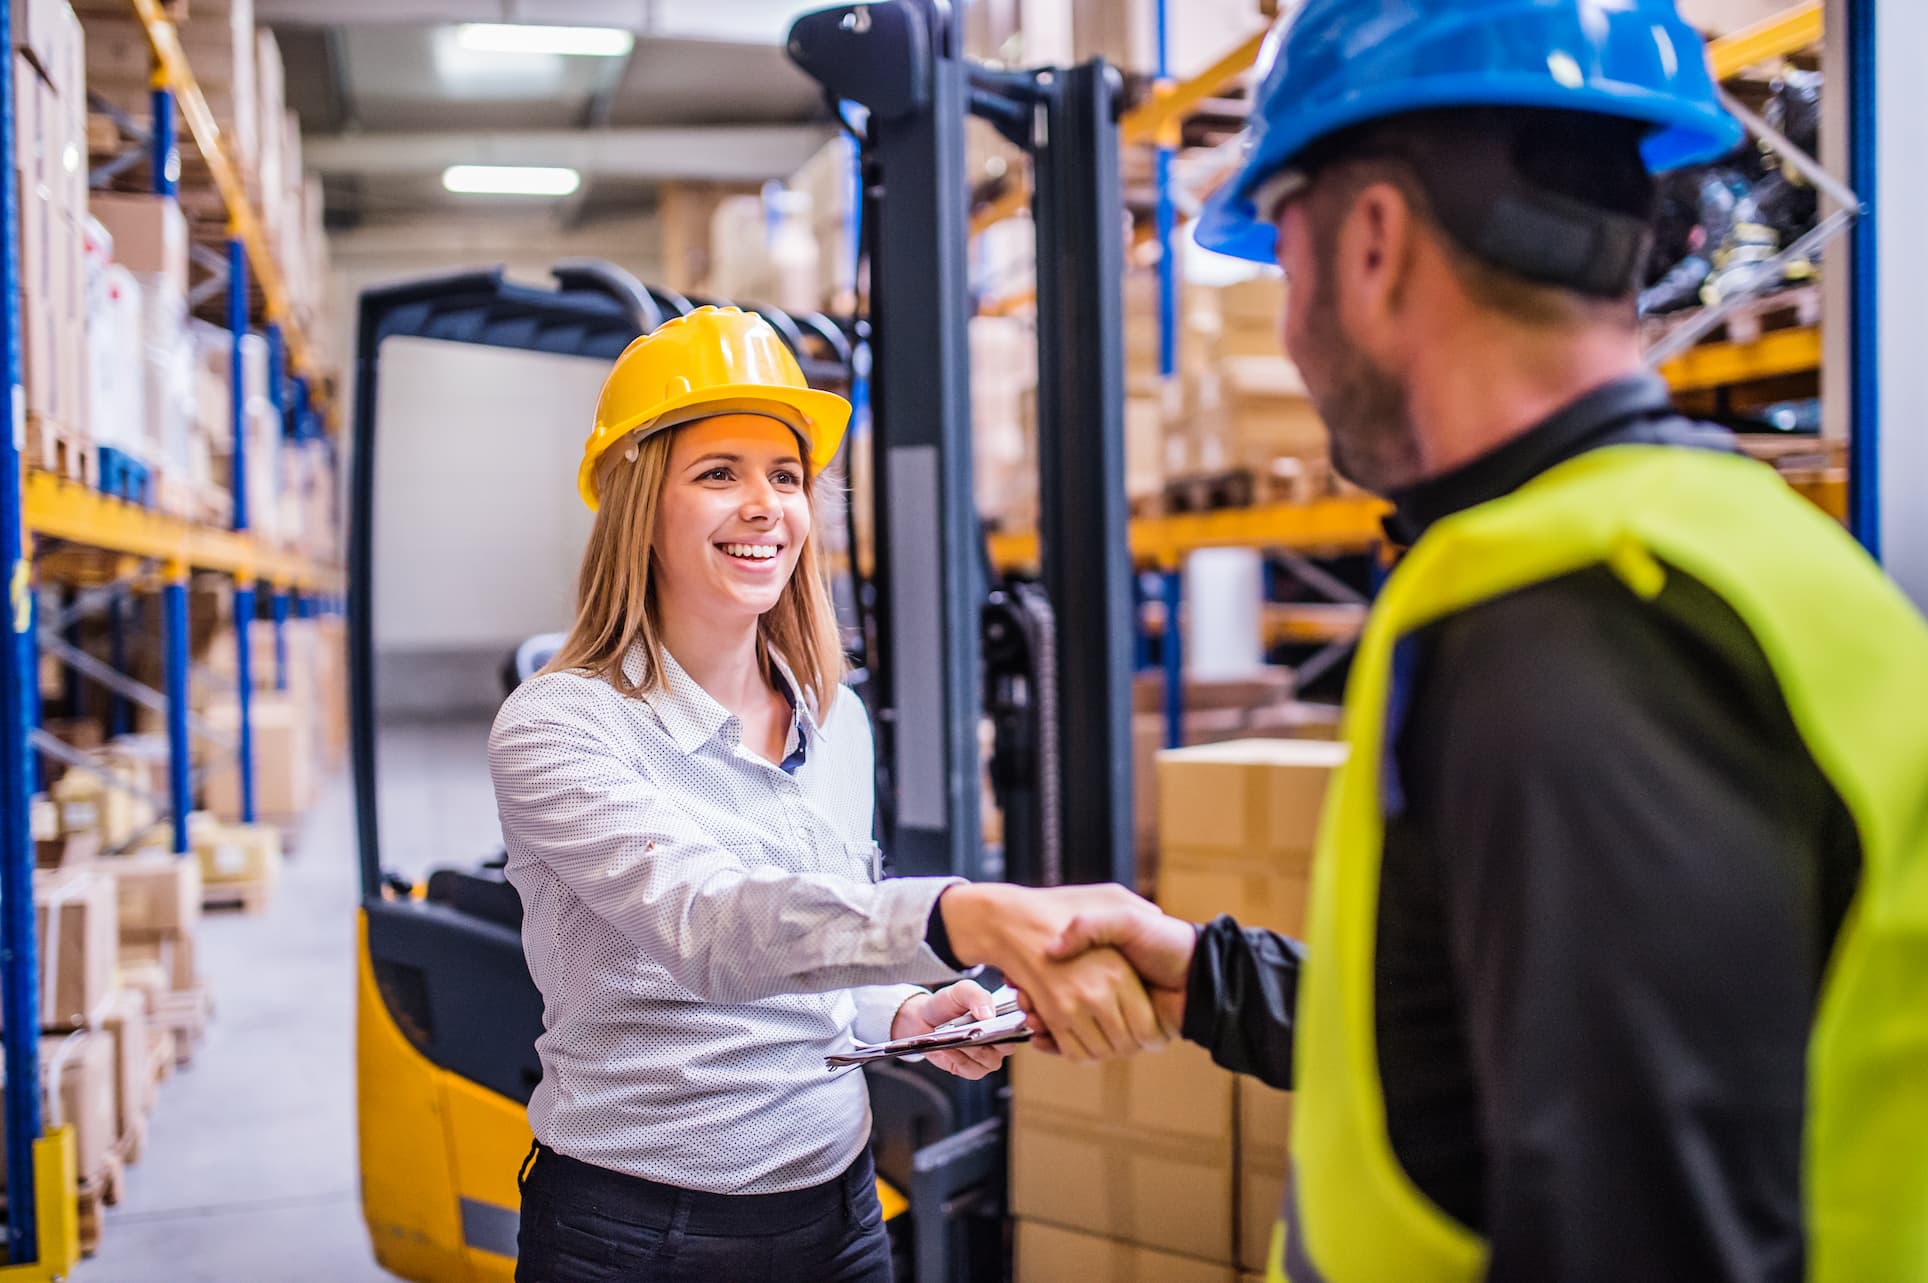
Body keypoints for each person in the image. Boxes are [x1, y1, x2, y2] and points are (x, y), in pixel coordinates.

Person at [1046, 3, 1928, 1281]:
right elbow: (1515, 1056)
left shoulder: (1578, 627)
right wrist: (1208, 982)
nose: (1289, 333)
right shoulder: (1701, 547)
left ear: (1374, 243)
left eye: (1283, 268)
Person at [490, 306, 1165, 1283]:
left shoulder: (832, 716)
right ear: (640, 499)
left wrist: (899, 1013)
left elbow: (816, 948)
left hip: (839, 1211)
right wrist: (957, 914)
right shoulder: (560, 725)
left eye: (786, 475)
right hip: (637, 1233)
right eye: (717, 472)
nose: (764, 504)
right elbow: (711, 924)